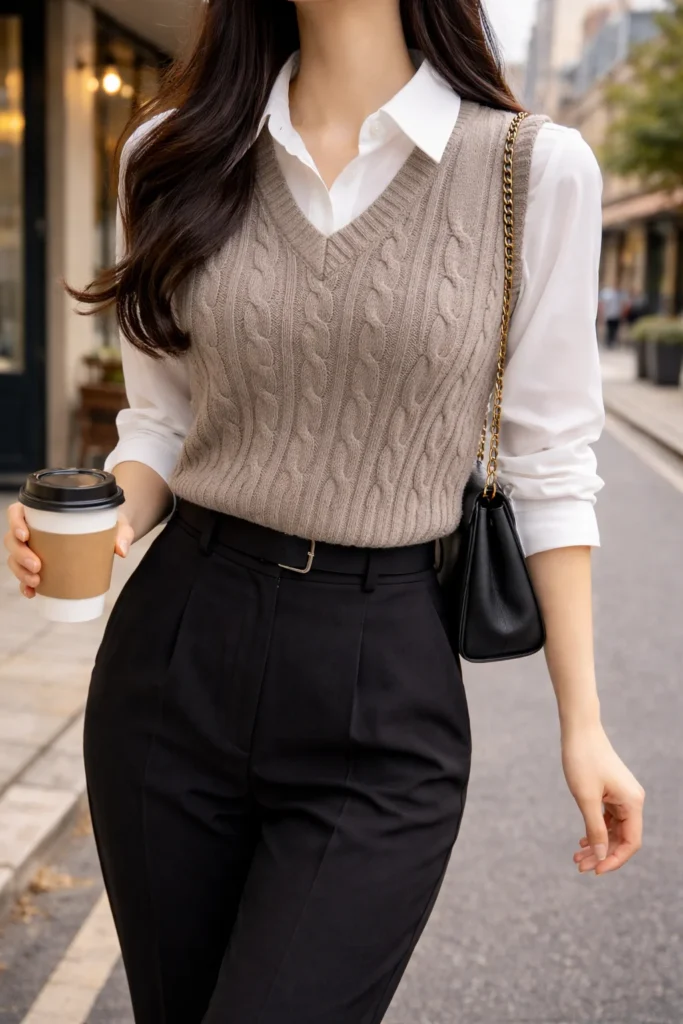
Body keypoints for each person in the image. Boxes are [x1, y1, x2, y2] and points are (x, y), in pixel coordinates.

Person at [4, 2, 645, 1022]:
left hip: (383, 677)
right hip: (176, 657)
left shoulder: (534, 170)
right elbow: (161, 425)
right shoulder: (170, 152)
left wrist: (584, 724)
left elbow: (549, 462)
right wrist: (103, 515)